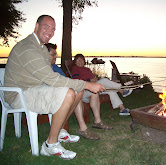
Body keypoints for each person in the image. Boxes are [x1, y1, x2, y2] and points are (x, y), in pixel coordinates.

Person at [4, 15, 105, 160]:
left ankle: (60, 130)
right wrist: (87, 84)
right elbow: (51, 78)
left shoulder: (40, 48)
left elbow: (49, 77)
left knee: (78, 91)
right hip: (19, 94)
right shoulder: (28, 47)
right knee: (69, 93)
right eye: (46, 27)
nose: (50, 32)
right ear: (36, 26)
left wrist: (82, 86)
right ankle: (50, 145)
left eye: (53, 29)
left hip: (34, 88)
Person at [45, 43, 113, 140]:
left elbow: (65, 80)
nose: (55, 57)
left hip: (68, 90)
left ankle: (97, 121)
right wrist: (88, 82)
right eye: (53, 54)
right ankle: (83, 128)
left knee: (91, 93)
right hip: (58, 93)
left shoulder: (55, 67)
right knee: (77, 92)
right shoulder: (45, 68)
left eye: (56, 54)